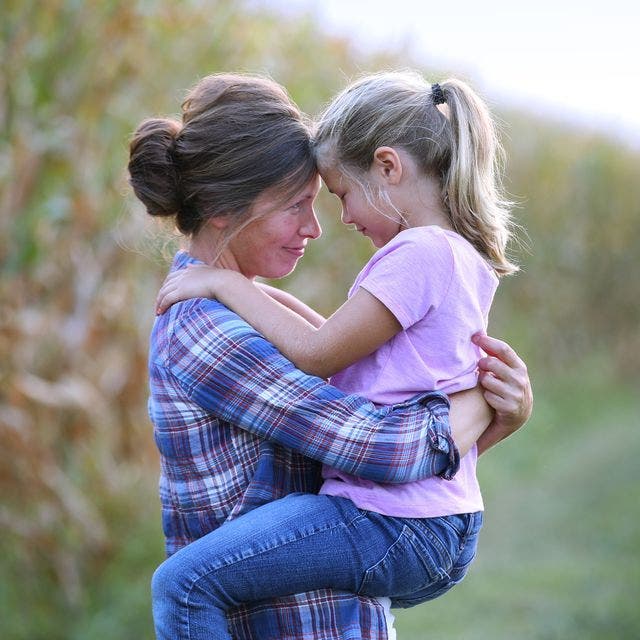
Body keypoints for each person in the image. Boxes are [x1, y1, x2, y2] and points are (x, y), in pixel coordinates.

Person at [129, 72, 532, 640]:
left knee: (183, 585)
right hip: (291, 624)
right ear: (223, 207)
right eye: (297, 206)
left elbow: (358, 400)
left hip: (337, 611)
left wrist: (237, 288)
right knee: (183, 584)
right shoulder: (205, 330)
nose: (319, 227)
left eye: (327, 199)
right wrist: (487, 409)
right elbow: (385, 449)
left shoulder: (239, 301)